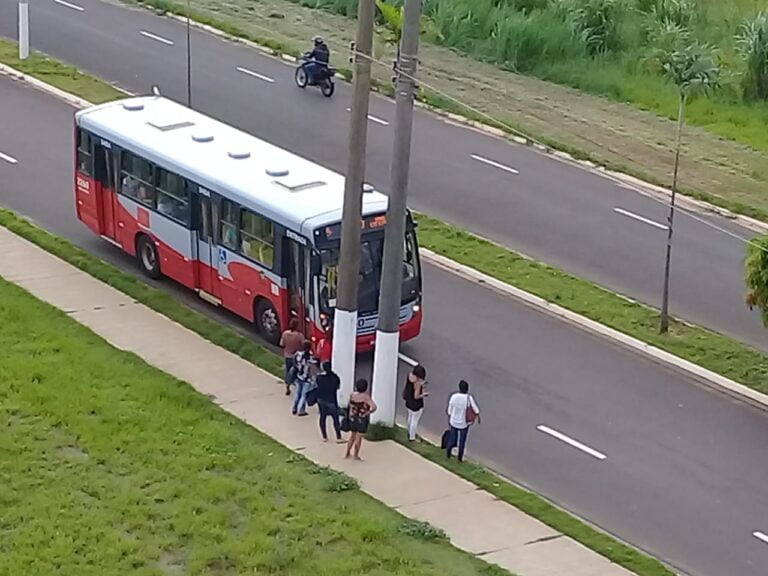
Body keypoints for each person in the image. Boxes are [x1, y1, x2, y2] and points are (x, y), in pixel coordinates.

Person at [445, 380, 480, 462]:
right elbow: (476, 410)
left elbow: (449, 411)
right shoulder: (469, 398)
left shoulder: (454, 397)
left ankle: (448, 453)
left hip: (453, 422)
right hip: (463, 423)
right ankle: (459, 458)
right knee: (462, 441)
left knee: (452, 438)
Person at [345, 378, 377, 460]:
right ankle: (355, 455)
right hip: (361, 419)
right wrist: (367, 413)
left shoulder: (352, 395)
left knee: (352, 436)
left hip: (352, 418)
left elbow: (349, 405)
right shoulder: (366, 397)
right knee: (358, 438)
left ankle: (347, 453)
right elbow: (374, 407)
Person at [315, 361, 344, 443]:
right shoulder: (335, 377)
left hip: (321, 399)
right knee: (335, 419)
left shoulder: (319, 378)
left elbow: (317, 385)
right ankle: (338, 437)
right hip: (331, 400)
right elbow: (338, 387)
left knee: (322, 417)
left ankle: (324, 436)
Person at [402, 364, 428, 441]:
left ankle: (409, 432)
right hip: (416, 405)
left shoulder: (410, 376)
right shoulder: (417, 383)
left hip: (408, 401)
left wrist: (421, 384)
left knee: (410, 418)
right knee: (415, 420)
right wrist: (423, 394)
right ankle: (412, 437)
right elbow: (416, 396)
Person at [279, 318, 303, 396]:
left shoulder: (285, 334)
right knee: (298, 373)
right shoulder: (299, 336)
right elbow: (303, 345)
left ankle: (287, 388)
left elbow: (282, 344)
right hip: (296, 357)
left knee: (288, 371)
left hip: (287, 356)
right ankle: (298, 388)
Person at [292, 340, 314, 416]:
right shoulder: (310, 357)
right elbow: (312, 369)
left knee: (297, 393)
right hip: (307, 379)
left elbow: (294, 363)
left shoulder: (298, 354)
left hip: (298, 377)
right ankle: (300, 410)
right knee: (304, 395)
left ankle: (294, 408)